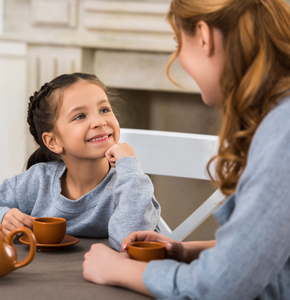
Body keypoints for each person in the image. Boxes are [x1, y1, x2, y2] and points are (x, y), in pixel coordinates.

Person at [82, 0, 290, 298]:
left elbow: (220, 286)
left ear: (204, 36)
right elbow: (271, 243)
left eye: (179, 43)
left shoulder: (282, 132)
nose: (178, 59)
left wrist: (120, 269)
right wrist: (186, 251)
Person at [0, 72, 161, 250]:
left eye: (104, 109)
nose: (100, 121)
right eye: (80, 116)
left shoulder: (129, 186)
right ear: (53, 142)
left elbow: (130, 244)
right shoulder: (37, 181)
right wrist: (2, 217)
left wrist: (131, 168)